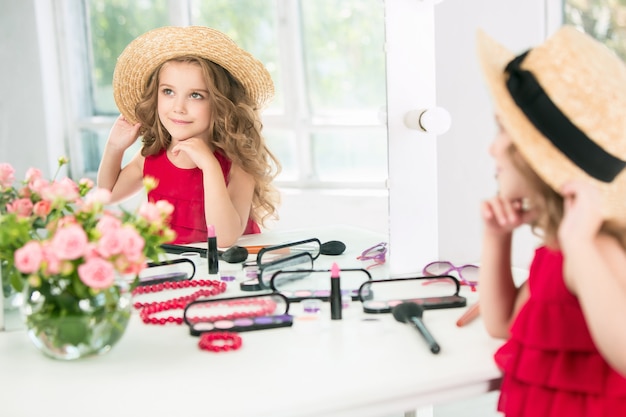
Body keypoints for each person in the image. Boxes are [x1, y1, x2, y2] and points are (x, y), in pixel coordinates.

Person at [476, 26, 626, 416]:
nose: (493, 148)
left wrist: (580, 244)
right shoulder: (557, 251)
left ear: (534, 157)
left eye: (503, 132)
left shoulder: (594, 247)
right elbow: (504, 325)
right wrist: (496, 239)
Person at [97, 26, 281, 247]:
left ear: (220, 103)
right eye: (168, 92)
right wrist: (114, 147)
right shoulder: (152, 156)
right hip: (182, 269)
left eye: (195, 95)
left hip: (231, 270)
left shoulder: (237, 162)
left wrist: (209, 165)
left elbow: (223, 239)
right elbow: (107, 195)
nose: (178, 107)